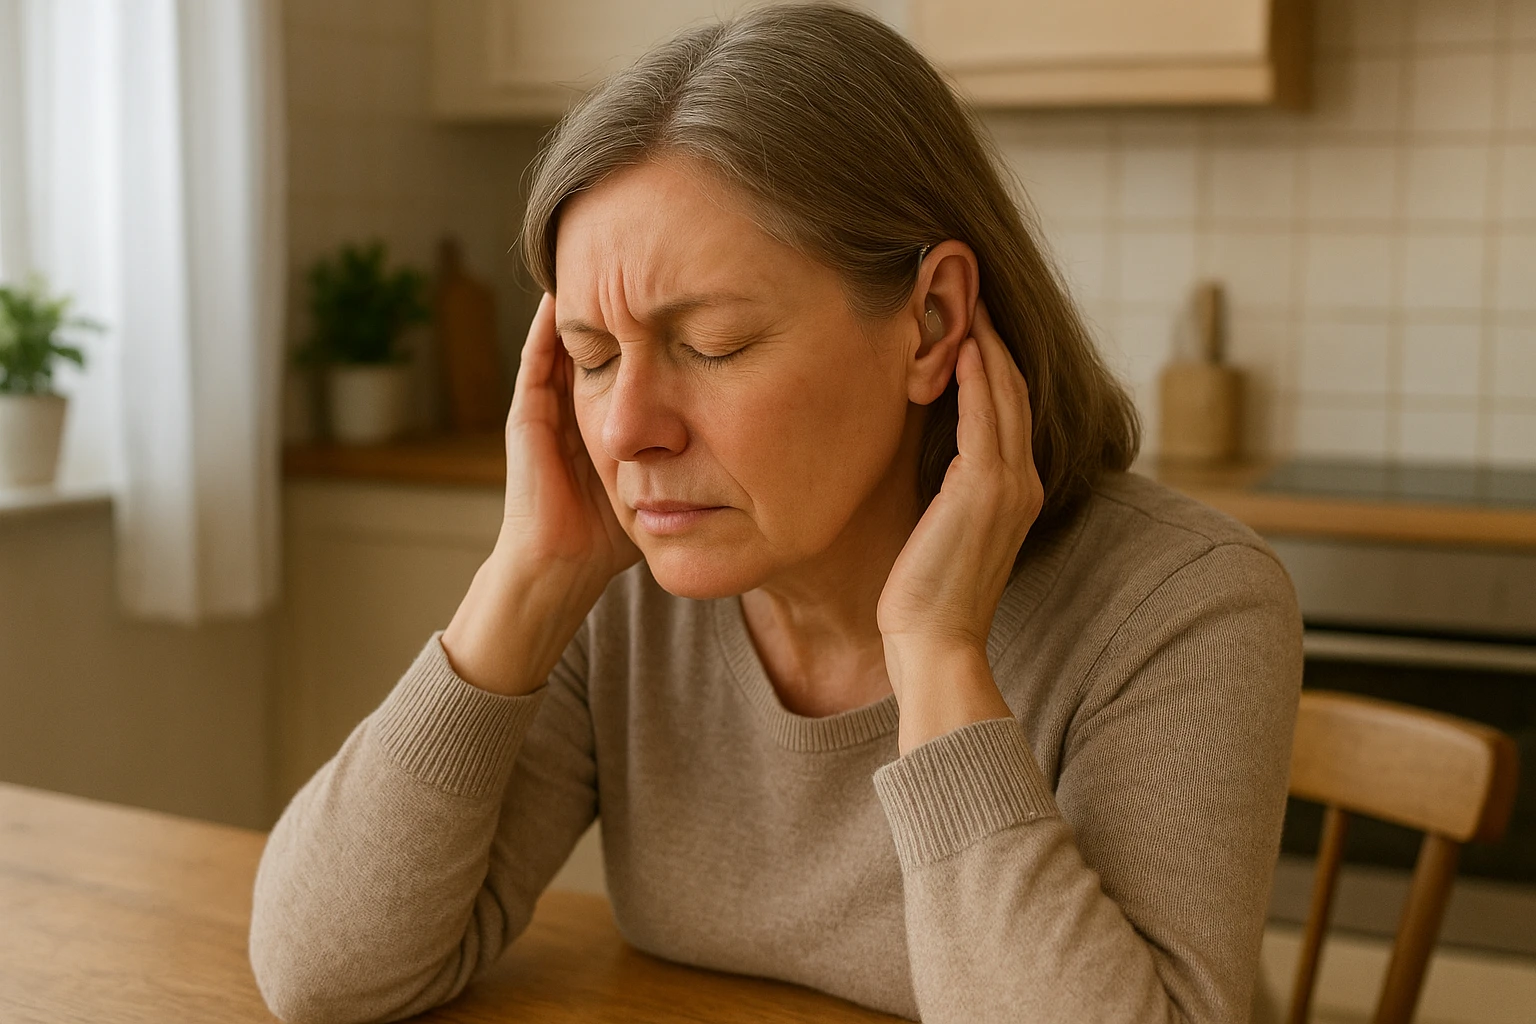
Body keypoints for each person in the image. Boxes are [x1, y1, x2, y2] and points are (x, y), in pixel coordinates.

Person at [249, 5, 1303, 1023]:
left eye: (711, 346)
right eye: (593, 357)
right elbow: (321, 971)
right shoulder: (627, 592)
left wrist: (936, 654)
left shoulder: (1184, 605)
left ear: (930, 321)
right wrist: (524, 581)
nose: (626, 433)